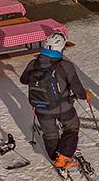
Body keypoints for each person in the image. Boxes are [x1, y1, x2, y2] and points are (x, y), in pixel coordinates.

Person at [23, 32, 86, 169]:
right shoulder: (65, 65)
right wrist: (85, 95)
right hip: (63, 107)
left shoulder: (33, 64)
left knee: (50, 133)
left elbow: (24, 80)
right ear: (61, 48)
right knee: (72, 127)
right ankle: (63, 157)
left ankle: (54, 157)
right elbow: (78, 89)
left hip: (41, 107)